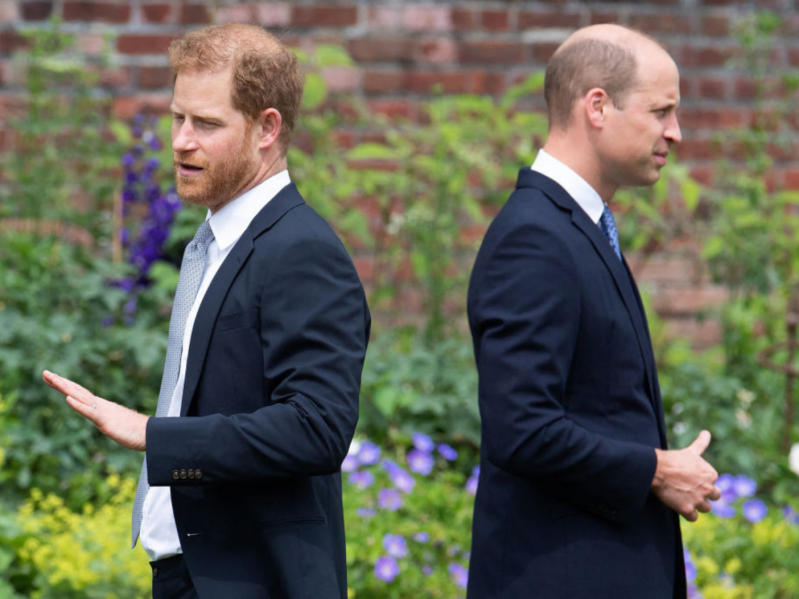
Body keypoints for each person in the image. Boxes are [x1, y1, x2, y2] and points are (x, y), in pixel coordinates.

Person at [43, 23, 370, 599]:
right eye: (177, 117)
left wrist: (156, 437)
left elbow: (318, 428)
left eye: (207, 124)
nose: (181, 141)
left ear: (267, 128)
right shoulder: (215, 242)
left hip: (252, 580)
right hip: (191, 573)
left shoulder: (301, 249)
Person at [466, 24, 721, 599]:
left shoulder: (575, 228)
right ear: (598, 107)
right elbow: (521, 429)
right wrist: (655, 469)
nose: (675, 133)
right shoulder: (534, 238)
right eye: (661, 112)